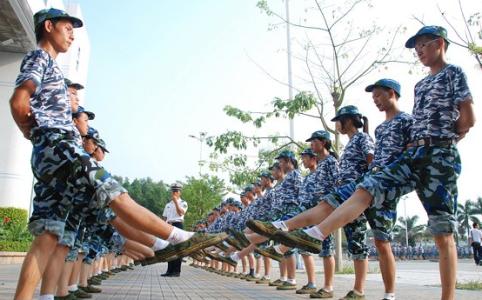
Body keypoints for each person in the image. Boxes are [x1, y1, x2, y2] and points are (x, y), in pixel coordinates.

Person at [9, 8, 226, 299]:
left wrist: (38, 137)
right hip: (62, 148)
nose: (72, 34)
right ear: (49, 26)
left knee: (49, 234)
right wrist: (36, 133)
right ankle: (176, 237)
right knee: (115, 193)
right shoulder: (41, 58)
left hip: (52, 152)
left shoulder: (52, 67)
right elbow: (19, 101)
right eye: (67, 27)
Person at [269, 25, 474, 300]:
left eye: (423, 46)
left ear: (439, 43)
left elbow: (468, 118)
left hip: (440, 154)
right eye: (416, 49)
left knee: (441, 230)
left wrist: (446, 141)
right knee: (367, 187)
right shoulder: (421, 85)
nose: (419, 52)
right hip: (412, 156)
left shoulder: (453, 73)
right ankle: (315, 233)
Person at [161, 183, 188, 277]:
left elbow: (181, 213)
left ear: (180, 192)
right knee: (169, 249)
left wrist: (176, 202)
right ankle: (169, 270)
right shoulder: (168, 204)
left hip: (178, 225)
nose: (174, 193)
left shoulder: (183, 203)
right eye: (173, 191)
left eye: (176, 191)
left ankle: (176, 271)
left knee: (177, 249)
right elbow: (164, 218)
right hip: (168, 226)